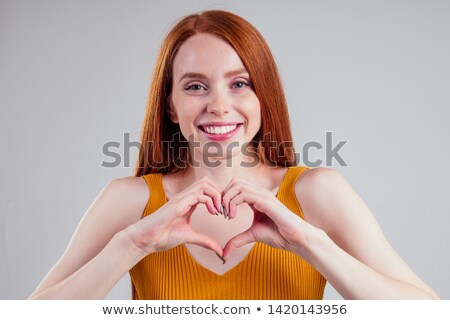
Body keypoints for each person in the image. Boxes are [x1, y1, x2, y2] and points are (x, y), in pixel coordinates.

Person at [29, 10, 438, 300]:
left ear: (264, 97)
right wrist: (132, 245)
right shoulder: (129, 200)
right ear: (170, 106)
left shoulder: (317, 193)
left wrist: (311, 245)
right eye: (195, 86)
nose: (219, 105)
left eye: (239, 83)